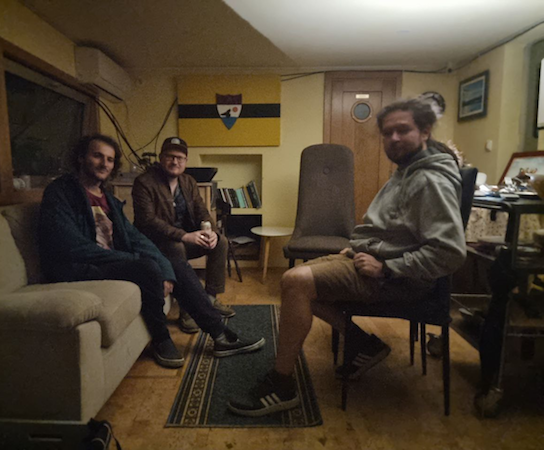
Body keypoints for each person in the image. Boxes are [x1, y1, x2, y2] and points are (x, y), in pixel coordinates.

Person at [227, 98, 467, 417]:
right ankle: (364, 345)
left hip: (400, 279)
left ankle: (281, 386)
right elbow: (393, 228)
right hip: (369, 260)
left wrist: (387, 267)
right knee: (298, 287)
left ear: (424, 131)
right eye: (387, 132)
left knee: (295, 280)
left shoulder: (430, 180)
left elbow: (450, 252)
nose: (393, 139)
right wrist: (356, 248)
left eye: (402, 130)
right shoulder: (407, 172)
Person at [38, 134, 265, 369]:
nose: (104, 164)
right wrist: (143, 259)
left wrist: (169, 264)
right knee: (148, 266)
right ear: (81, 157)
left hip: (110, 261)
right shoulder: (62, 192)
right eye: (97, 156)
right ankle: (161, 339)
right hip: (79, 267)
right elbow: (73, 247)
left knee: (174, 263)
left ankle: (219, 334)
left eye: (110, 159)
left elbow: (133, 237)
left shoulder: (108, 198)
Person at [132, 137, 234, 334]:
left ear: (186, 161)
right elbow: (148, 221)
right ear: (161, 158)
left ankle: (210, 299)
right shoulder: (144, 182)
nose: (175, 162)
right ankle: (188, 310)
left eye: (180, 158)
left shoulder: (188, 181)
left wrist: (209, 231)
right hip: (157, 244)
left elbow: (201, 210)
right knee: (176, 246)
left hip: (185, 238)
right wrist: (184, 236)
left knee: (220, 242)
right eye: (170, 156)